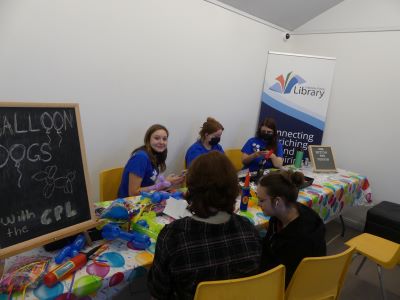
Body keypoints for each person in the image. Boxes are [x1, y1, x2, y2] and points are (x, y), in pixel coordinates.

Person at [148, 151, 262, 299]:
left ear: (192, 189)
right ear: (234, 189)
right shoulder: (249, 230)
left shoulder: (173, 236)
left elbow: (159, 291)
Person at [257, 170, 326, 286]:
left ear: (277, 201)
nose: (258, 204)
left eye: (261, 200)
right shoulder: (284, 213)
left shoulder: (300, 239)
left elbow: (283, 280)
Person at [118, 124, 184, 198]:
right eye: (157, 138)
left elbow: (150, 188)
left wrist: (170, 182)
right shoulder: (140, 158)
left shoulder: (155, 155)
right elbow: (133, 193)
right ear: (148, 140)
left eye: (164, 139)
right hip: (129, 203)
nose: (161, 142)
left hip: (144, 198)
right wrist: (162, 184)